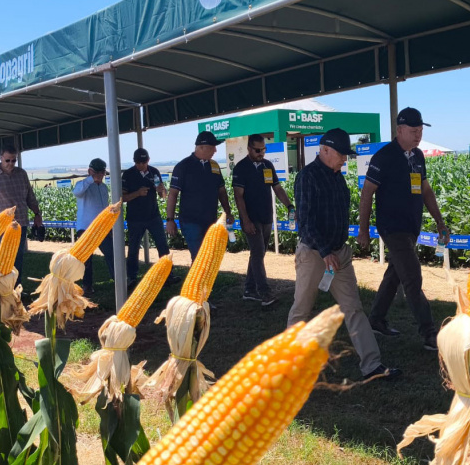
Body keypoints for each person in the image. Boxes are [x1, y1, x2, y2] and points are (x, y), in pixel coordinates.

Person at [288, 128, 401, 382]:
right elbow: (304, 222)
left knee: (354, 308)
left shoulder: (338, 178)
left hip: (339, 253)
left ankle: (372, 366)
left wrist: (339, 248)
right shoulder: (307, 177)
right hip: (314, 255)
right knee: (301, 310)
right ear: (325, 150)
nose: (344, 160)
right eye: (341, 154)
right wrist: (326, 251)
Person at [358, 108, 450, 351]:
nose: (418, 135)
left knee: (395, 274)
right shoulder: (383, 157)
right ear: (399, 130)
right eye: (413, 131)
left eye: (420, 130)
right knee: (412, 276)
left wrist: (440, 221)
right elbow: (367, 194)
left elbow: (426, 191)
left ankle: (376, 320)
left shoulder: (418, 156)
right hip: (392, 228)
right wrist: (363, 230)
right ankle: (430, 333)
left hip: (411, 228)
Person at [232, 134, 294, 307]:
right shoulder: (241, 168)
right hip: (251, 219)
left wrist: (289, 206)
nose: (261, 153)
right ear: (249, 148)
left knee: (258, 254)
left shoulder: (268, 165)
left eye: (263, 150)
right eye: (258, 150)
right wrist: (246, 220)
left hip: (267, 217)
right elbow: (239, 197)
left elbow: (277, 188)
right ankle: (264, 292)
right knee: (258, 253)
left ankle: (249, 290)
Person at [0, 144, 43, 278]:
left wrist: (37, 214)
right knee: (2, 259)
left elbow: (30, 197)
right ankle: (0, 291)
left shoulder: (21, 174)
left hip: (20, 224)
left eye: (13, 160)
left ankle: (15, 290)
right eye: (7, 160)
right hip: (0, 226)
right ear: (1, 158)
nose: (10, 163)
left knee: (18, 259)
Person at [166, 131, 234, 261]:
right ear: (201, 147)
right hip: (190, 221)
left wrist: (228, 213)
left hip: (210, 220)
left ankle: (204, 282)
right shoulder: (183, 166)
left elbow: (222, 192)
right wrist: (170, 220)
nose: (215, 150)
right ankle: (197, 282)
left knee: (209, 257)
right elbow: (173, 194)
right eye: (212, 147)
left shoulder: (214, 165)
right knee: (199, 258)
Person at [122, 148, 173, 288]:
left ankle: (168, 274)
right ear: (134, 161)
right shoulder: (127, 174)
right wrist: (137, 193)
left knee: (162, 245)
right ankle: (132, 277)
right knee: (133, 249)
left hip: (153, 216)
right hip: (134, 218)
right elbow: (122, 197)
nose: (141, 165)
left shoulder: (154, 172)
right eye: (138, 162)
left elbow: (164, 196)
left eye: (143, 162)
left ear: (148, 160)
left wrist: (162, 190)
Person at [73, 158, 115, 295]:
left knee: (111, 254)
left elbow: (104, 207)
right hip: (85, 228)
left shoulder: (103, 188)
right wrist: (91, 179)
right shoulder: (82, 185)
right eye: (96, 173)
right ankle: (87, 285)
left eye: (102, 173)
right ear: (89, 172)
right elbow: (77, 192)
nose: (99, 176)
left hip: (102, 228)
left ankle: (119, 280)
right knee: (86, 259)